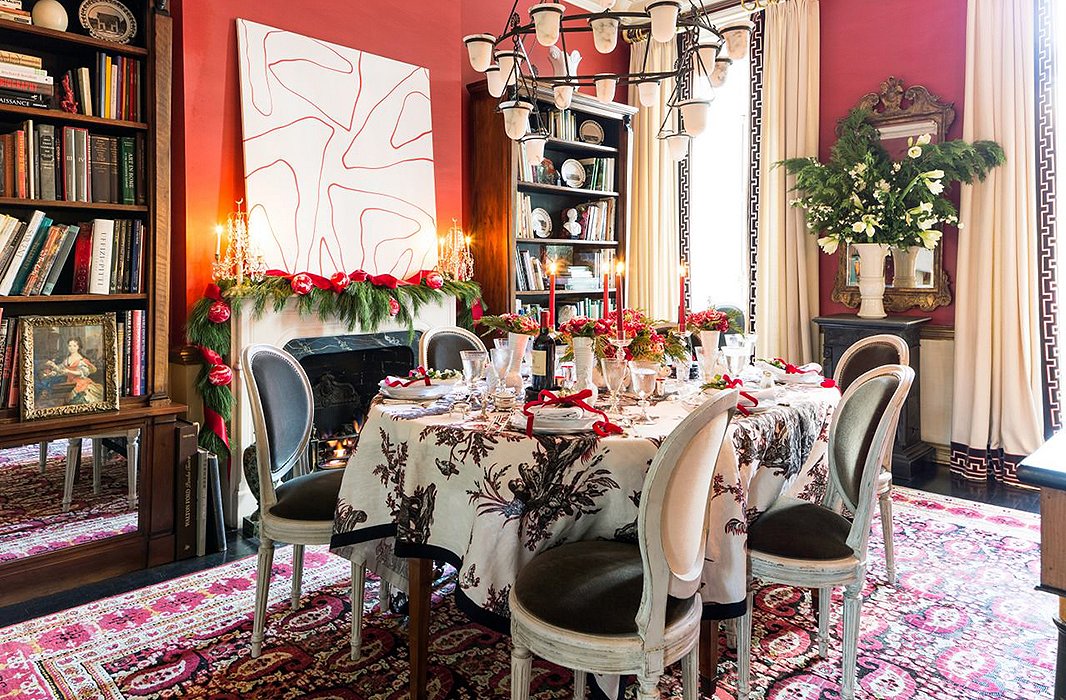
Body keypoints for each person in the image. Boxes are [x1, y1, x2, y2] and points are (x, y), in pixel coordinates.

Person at [41, 337, 104, 405]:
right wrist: (54, 368)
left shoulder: (81, 360)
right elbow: (61, 370)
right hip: (70, 383)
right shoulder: (67, 359)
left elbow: (82, 372)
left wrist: (69, 371)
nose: (72, 348)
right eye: (70, 346)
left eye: (74, 346)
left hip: (81, 383)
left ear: (78, 347)